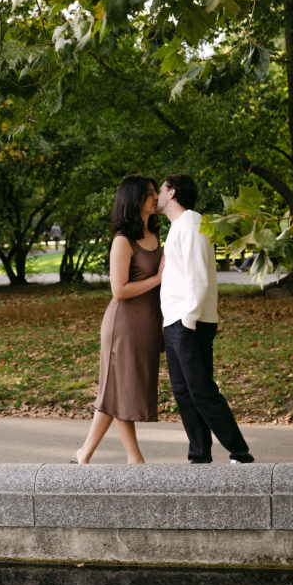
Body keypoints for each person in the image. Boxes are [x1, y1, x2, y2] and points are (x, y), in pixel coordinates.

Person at [156, 173, 254, 464]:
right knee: (184, 393)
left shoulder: (193, 224)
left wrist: (188, 321)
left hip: (191, 323)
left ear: (172, 193)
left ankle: (240, 452)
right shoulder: (177, 227)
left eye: (161, 190)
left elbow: (198, 277)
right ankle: (199, 455)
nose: (157, 196)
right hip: (175, 323)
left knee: (201, 391)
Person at [74, 175, 164, 464]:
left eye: (155, 192)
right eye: (149, 193)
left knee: (116, 389)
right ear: (134, 199)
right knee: (121, 388)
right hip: (123, 325)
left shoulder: (155, 235)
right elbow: (119, 290)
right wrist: (159, 278)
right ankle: (134, 458)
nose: (155, 197)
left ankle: (84, 452)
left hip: (147, 324)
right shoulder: (123, 240)